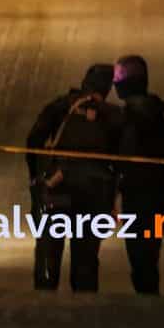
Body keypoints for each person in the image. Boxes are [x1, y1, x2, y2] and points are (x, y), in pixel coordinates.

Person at [26, 64, 122, 292]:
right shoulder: (114, 115)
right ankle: (83, 311)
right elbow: (122, 160)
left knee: (49, 249)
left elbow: (34, 140)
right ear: (107, 88)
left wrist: (36, 177)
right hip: (95, 192)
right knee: (86, 257)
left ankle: (43, 304)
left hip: (57, 186)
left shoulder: (61, 105)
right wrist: (114, 197)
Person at [114, 54, 164, 295]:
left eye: (118, 77)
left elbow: (124, 159)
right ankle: (150, 296)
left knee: (139, 253)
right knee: (150, 251)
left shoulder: (130, 115)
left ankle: (147, 302)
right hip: (160, 191)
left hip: (138, 194)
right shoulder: (160, 109)